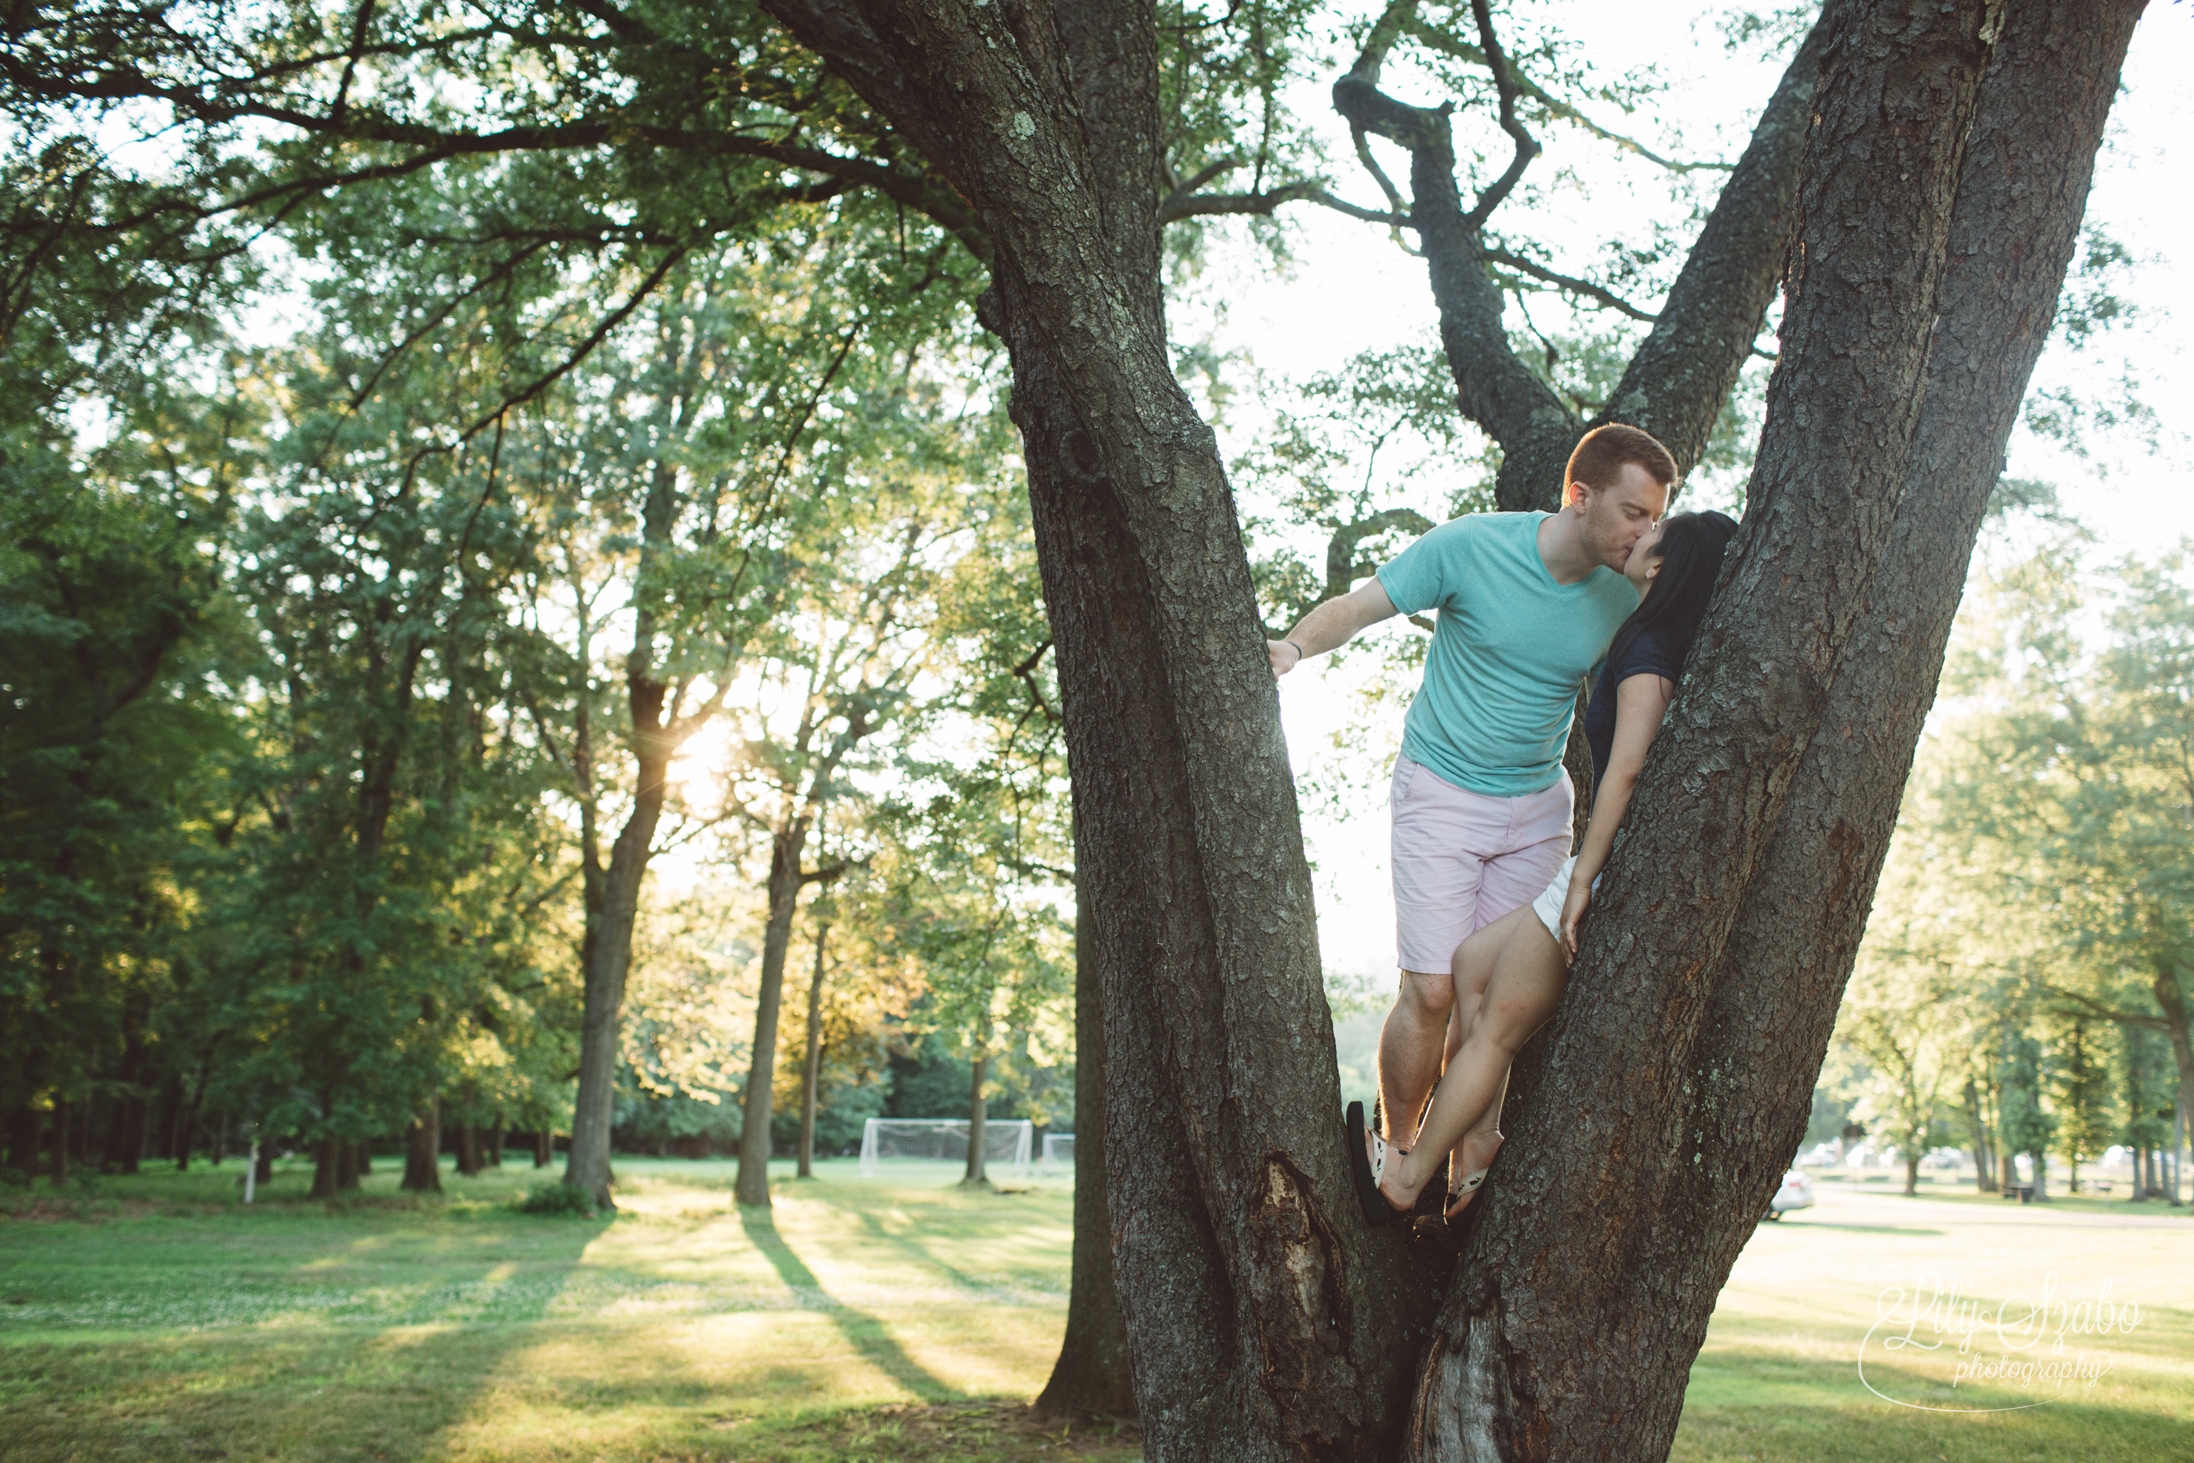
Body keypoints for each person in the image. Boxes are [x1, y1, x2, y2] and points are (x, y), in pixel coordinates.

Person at [1270, 424, 1676, 1183]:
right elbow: (1360, 608)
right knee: (1430, 990)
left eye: (1655, 517)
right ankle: (1398, 1146)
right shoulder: (1469, 546)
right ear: (1578, 497)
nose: (1644, 533)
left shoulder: (1631, 591)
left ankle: (1456, 1173)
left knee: (1487, 1001)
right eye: (1632, 512)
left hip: (1538, 809)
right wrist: (1292, 648)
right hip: (1441, 794)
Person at [1358, 508, 1741, 1223]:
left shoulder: (1650, 646)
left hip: (1609, 868)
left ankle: (1410, 1178)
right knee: (1471, 963)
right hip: (1611, 863)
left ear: (1662, 567)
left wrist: (1581, 881)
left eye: (1651, 532)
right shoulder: (1652, 634)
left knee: (1498, 1025)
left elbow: (1624, 774)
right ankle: (1476, 1153)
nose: (1638, 535)